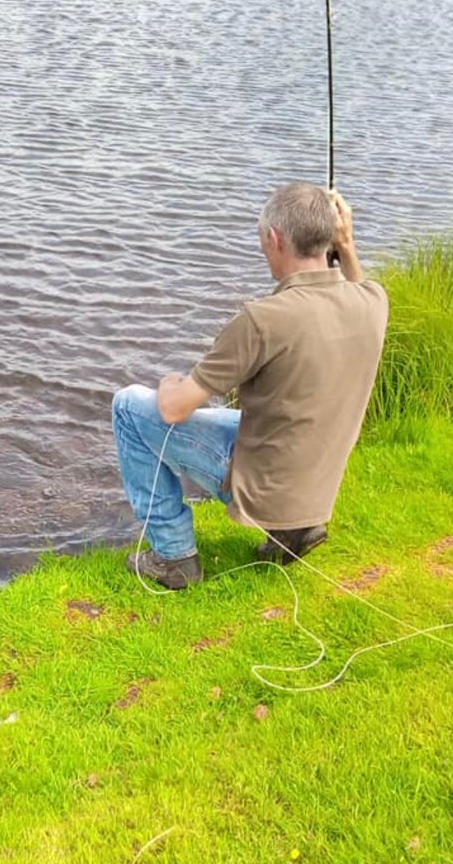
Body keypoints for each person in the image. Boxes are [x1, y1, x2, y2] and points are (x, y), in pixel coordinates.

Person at [112, 183, 389, 589]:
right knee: (229, 413)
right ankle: (297, 528)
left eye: (263, 238)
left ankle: (174, 559)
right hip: (313, 487)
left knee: (130, 406)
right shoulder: (373, 302)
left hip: (265, 488)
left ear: (274, 239)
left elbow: (174, 409)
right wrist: (346, 246)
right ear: (332, 238)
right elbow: (357, 284)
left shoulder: (263, 319)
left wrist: (170, 382)